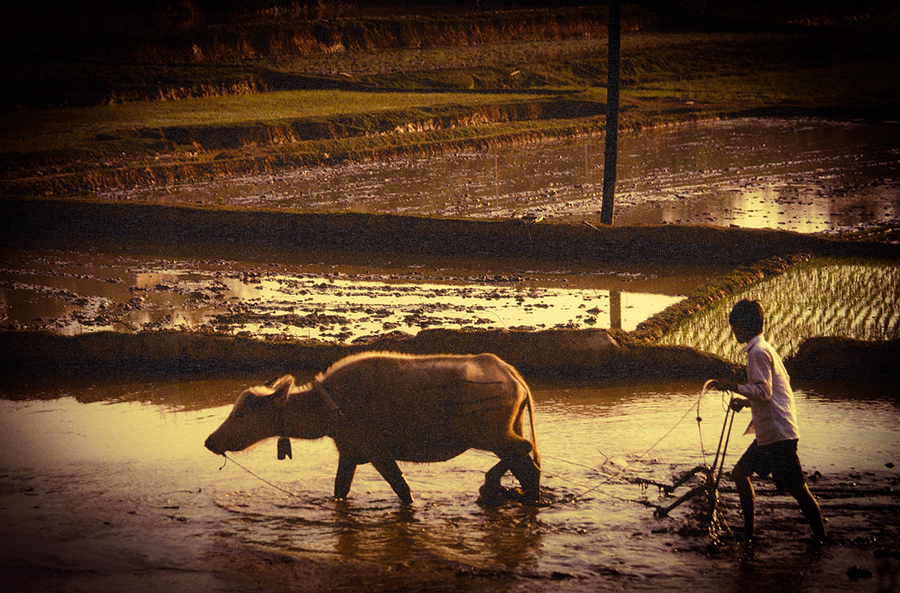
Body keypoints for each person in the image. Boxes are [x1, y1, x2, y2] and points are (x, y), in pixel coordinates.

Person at [711, 299, 826, 542]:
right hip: (771, 434)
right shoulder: (764, 349)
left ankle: (821, 537)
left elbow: (764, 392)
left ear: (743, 326)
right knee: (740, 474)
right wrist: (744, 402)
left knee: (798, 490)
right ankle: (749, 531)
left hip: (776, 435)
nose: (733, 333)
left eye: (734, 328)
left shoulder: (758, 353)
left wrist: (733, 386)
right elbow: (769, 394)